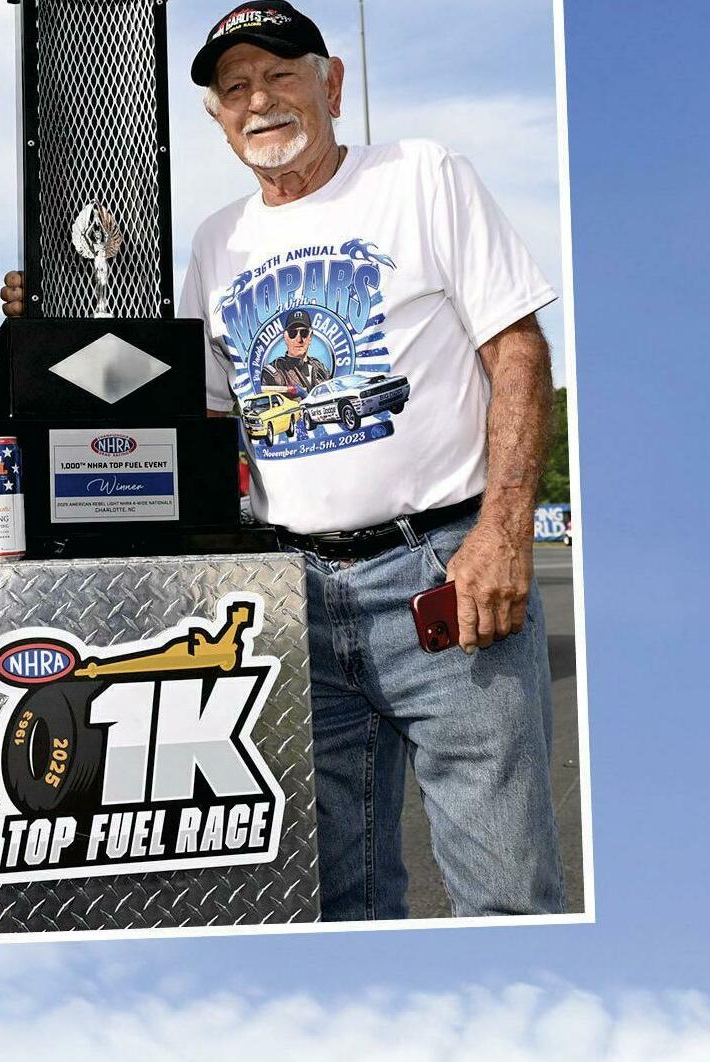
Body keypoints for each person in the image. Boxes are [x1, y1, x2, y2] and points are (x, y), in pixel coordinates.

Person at [179, 3, 569, 920]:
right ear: (216, 117)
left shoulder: (419, 174)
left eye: (280, 75)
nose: (259, 100)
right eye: (235, 87)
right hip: (289, 595)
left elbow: (517, 351)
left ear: (332, 84)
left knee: (505, 891)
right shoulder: (213, 240)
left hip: (442, 570)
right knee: (330, 896)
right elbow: (196, 417)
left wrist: (502, 534)